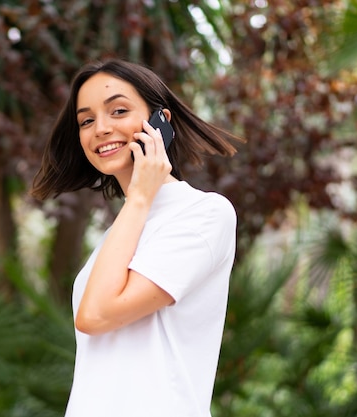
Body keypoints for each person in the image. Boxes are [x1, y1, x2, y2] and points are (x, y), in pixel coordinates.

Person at [31, 58, 242, 417]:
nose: (100, 128)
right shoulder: (121, 231)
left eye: (118, 111)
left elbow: (96, 315)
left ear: (161, 122)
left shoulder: (205, 214)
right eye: (86, 120)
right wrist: (138, 203)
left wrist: (142, 196)